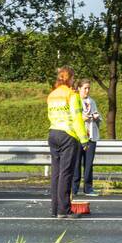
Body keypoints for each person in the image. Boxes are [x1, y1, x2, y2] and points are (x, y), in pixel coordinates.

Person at [46, 65, 89, 218]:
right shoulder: (72, 95)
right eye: (73, 78)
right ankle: (64, 210)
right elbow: (77, 119)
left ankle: (55, 209)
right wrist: (84, 140)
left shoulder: (52, 95)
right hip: (68, 135)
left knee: (56, 173)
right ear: (69, 78)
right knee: (66, 173)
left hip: (53, 133)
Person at [72, 79, 101, 197]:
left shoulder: (92, 101)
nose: (87, 90)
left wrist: (96, 117)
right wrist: (81, 118)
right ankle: (74, 188)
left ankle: (88, 188)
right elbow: (72, 117)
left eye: (89, 88)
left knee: (89, 164)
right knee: (76, 164)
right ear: (79, 88)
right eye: (85, 88)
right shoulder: (75, 100)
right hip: (78, 136)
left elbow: (98, 116)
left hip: (91, 136)